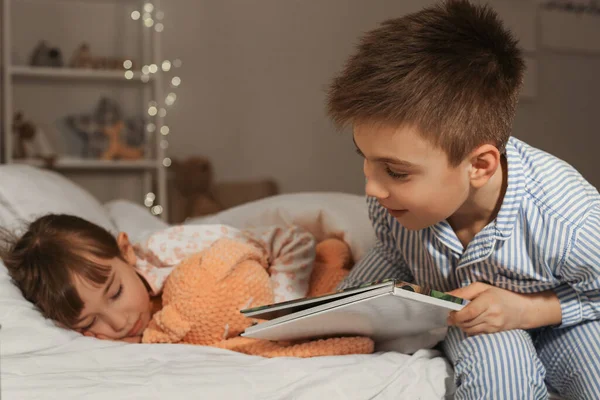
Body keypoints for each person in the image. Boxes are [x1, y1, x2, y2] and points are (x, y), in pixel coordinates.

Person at [327, 1, 600, 399]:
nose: (372, 188)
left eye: (396, 171)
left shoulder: (569, 220)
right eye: (364, 160)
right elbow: (393, 255)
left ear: (479, 166)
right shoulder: (392, 207)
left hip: (565, 317)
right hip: (475, 323)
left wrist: (530, 311)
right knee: (498, 372)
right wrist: (341, 310)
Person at [1, 214, 315, 343]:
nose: (118, 323)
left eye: (115, 293)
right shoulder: (95, 338)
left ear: (126, 253)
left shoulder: (169, 250)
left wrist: (278, 312)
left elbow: (291, 241)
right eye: (87, 323)